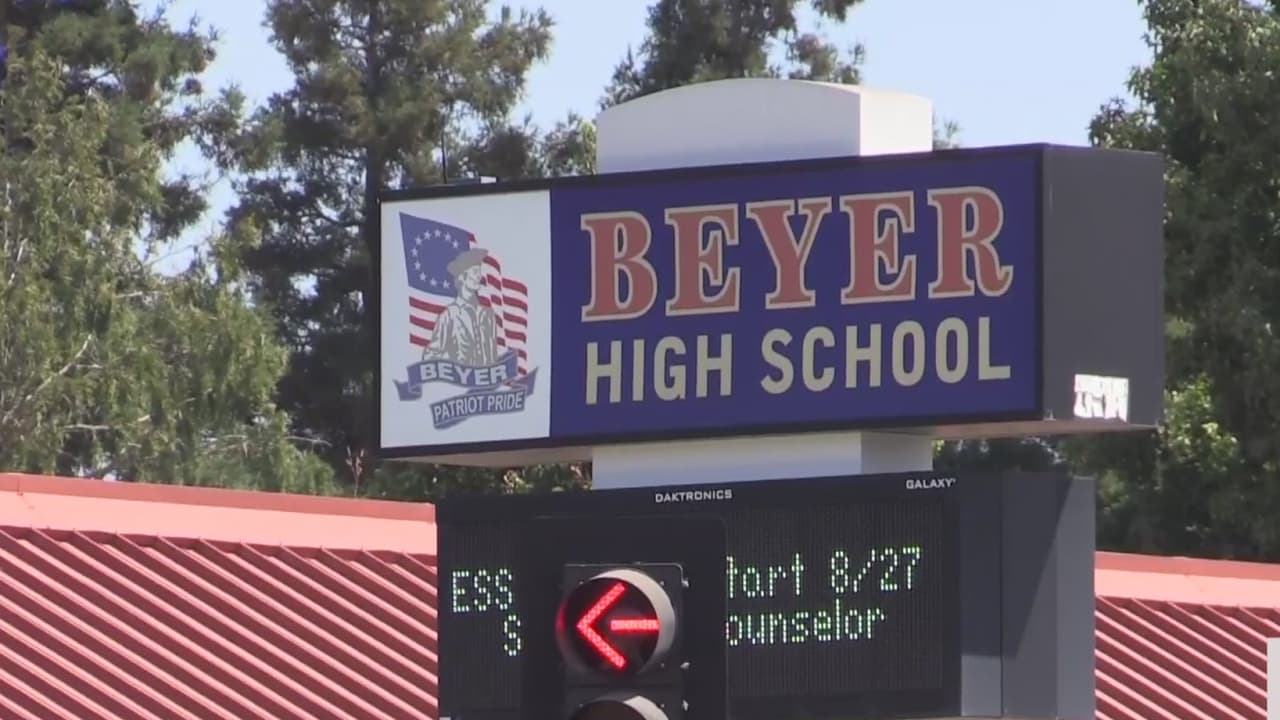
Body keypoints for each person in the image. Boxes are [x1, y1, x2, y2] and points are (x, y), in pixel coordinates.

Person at [422, 247, 499, 368]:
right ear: (462, 277)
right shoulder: (448, 316)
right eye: (475, 272)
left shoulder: (488, 315)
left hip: (486, 385)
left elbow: (493, 358)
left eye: (479, 272)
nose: (479, 277)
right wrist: (451, 359)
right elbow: (430, 356)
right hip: (458, 384)